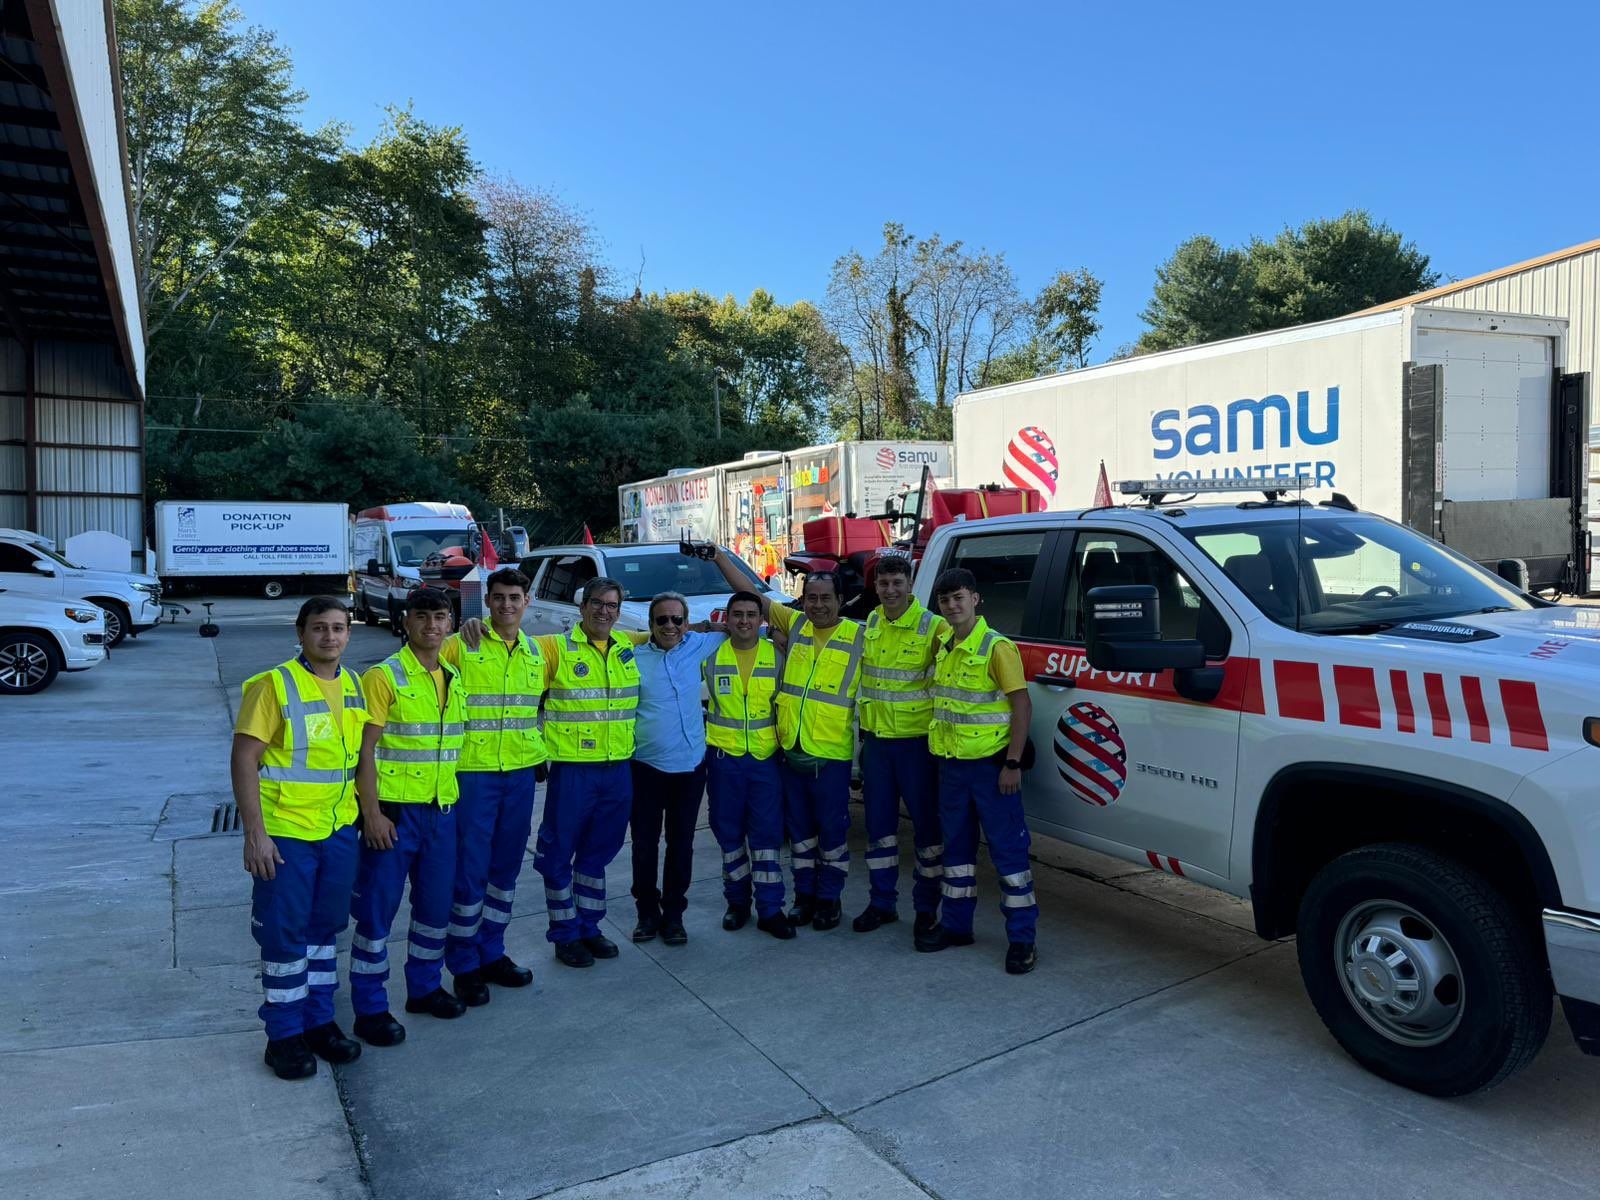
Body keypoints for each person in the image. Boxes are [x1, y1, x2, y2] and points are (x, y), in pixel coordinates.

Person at [231, 597, 370, 1080]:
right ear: (301, 632)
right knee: (285, 933)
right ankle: (284, 1036)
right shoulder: (273, 685)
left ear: (349, 634)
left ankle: (319, 1022)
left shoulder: (353, 685)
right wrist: (255, 835)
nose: (329, 637)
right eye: (319, 628)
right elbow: (244, 758)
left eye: (338, 628)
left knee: (324, 931)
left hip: (336, 832)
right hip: (286, 833)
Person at [348, 587, 470, 1047]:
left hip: (442, 813)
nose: (432, 626)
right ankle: (370, 1008)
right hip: (395, 819)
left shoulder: (453, 675)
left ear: (451, 623)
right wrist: (373, 814)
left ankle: (423, 989)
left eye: (440, 617)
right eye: (422, 617)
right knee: (377, 915)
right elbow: (365, 752)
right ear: (406, 622)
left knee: (434, 911)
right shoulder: (384, 677)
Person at [717, 551, 863, 931]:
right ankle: (804, 898)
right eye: (810, 598)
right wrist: (718, 557)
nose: (817, 605)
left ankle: (829, 899)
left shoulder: (861, 637)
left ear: (840, 600)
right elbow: (750, 597)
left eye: (825, 598)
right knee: (799, 835)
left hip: (830, 756)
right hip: (790, 753)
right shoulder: (796, 626)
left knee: (831, 836)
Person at [916, 568, 1038, 974]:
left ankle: (1022, 940)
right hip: (951, 769)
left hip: (991, 770)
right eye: (945, 600)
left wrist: (1013, 763)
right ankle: (956, 927)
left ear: (975, 599)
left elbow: (1022, 706)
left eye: (959, 598)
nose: (952, 605)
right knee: (958, 856)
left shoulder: (996, 647)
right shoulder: (945, 645)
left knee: (1009, 854)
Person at [438, 567, 546, 1007]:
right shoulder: (461, 645)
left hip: (520, 776)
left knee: (505, 871)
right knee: (470, 873)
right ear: (487, 602)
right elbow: (420, 658)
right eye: (498, 597)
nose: (506, 605)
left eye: (514, 597)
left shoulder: (538, 653)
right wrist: (454, 626)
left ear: (527, 602)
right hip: (474, 775)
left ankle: (492, 952)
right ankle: (463, 964)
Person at [532, 576, 645, 967]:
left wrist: (704, 627)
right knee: (559, 853)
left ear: (619, 610)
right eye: (597, 603)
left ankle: (590, 927)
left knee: (598, 855)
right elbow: (506, 649)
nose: (604, 611)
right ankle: (565, 934)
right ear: (582, 607)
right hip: (573, 773)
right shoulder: (554, 648)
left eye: (612, 605)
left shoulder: (628, 647)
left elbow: (668, 633)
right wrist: (473, 628)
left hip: (617, 772)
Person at [854, 553, 949, 936]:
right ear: (875, 587)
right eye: (883, 584)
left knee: (927, 833)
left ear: (910, 584)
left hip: (917, 748)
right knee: (879, 830)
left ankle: (926, 909)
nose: (889, 591)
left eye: (897, 583)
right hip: (877, 746)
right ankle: (882, 903)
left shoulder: (934, 626)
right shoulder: (873, 620)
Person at [627, 590, 724, 946]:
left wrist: (715, 623)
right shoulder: (633, 657)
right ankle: (646, 914)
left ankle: (674, 916)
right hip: (646, 768)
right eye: (662, 620)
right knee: (644, 845)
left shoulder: (698, 644)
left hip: (690, 768)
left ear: (686, 622)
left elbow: (746, 627)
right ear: (650, 624)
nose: (670, 626)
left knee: (681, 844)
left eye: (677, 619)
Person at [702, 589, 794, 940]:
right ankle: (738, 904)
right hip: (725, 761)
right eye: (737, 614)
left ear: (761, 620)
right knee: (729, 836)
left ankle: (771, 909)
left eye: (750, 615)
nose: (743, 621)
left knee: (767, 836)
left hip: (765, 761)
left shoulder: (777, 656)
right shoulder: (710, 654)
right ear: (727, 619)